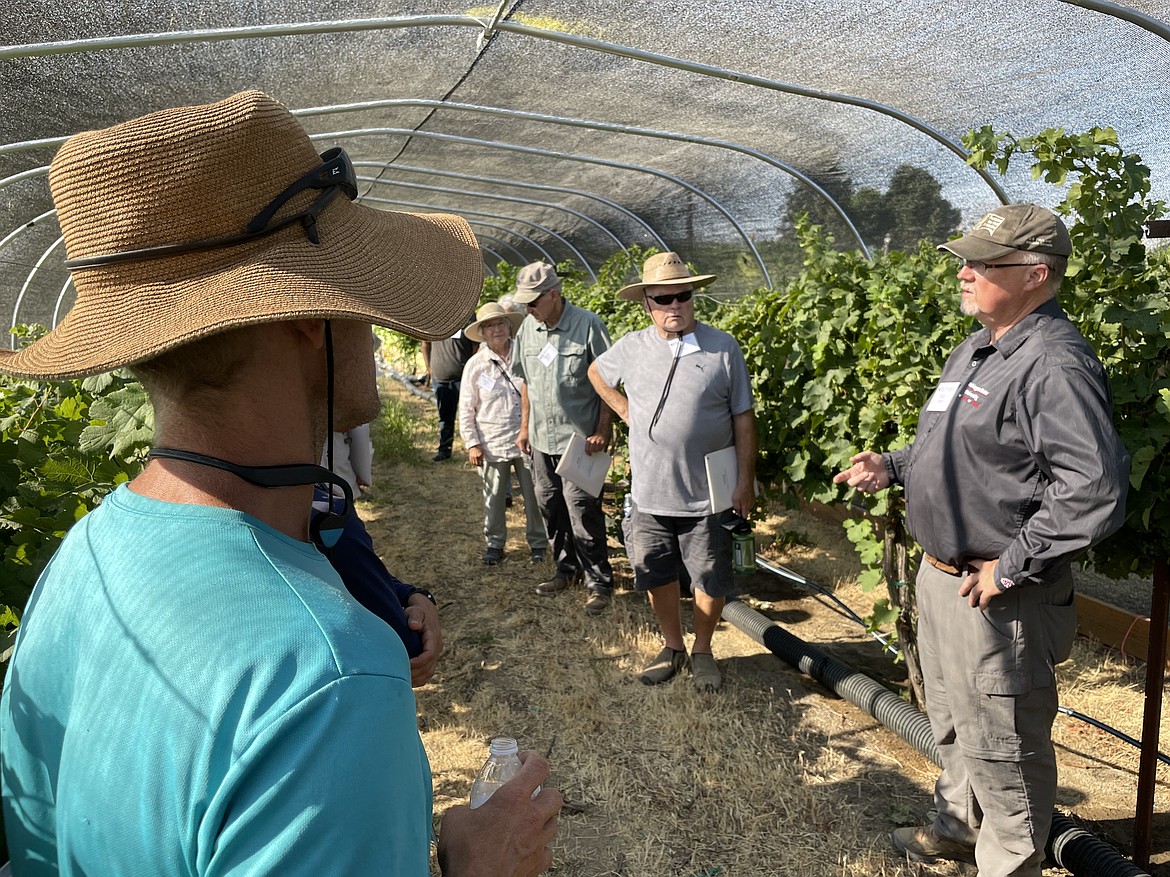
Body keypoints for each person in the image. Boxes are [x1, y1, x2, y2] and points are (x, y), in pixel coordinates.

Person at [0, 90, 560, 876]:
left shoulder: (82, 557)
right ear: (308, 317)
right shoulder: (330, 676)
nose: (371, 324)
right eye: (355, 294)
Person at [832, 204, 1129, 877]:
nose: (963, 273)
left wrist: (1011, 566)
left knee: (1006, 753)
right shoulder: (976, 348)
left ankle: (1008, 863)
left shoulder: (1054, 362)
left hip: (1002, 597)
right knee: (955, 724)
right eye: (965, 260)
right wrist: (895, 465)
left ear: (1035, 274)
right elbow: (958, 447)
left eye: (982, 263)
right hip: (944, 581)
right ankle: (959, 831)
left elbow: (1093, 488)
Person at [588, 252, 756, 692]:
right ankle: (672, 645)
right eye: (664, 299)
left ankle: (703, 648)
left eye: (683, 296)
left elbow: (743, 418)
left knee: (709, 574)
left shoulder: (723, 348)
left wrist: (744, 481)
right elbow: (595, 372)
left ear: (693, 297)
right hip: (649, 492)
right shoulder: (631, 347)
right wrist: (624, 409)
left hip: (707, 495)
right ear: (647, 303)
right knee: (656, 572)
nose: (675, 306)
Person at [511, 262, 616, 615]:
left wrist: (604, 429)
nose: (528, 309)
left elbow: (609, 383)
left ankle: (598, 582)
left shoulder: (588, 325)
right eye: (525, 304)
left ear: (553, 295)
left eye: (533, 302)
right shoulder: (528, 328)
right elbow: (526, 380)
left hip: (580, 442)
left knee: (582, 511)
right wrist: (525, 427)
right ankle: (566, 570)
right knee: (549, 507)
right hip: (542, 440)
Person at [458, 301, 550, 566]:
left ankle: (538, 543)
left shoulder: (527, 355)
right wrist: (472, 443)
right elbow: (466, 407)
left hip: (528, 440)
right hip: (492, 442)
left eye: (500, 323)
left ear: (509, 327)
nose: (496, 330)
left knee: (534, 495)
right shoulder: (476, 365)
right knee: (494, 496)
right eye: (489, 326)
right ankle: (495, 543)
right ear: (483, 333)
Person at [422, 319, 477, 462]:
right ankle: (444, 451)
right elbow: (425, 343)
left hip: (464, 377)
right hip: (441, 378)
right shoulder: (433, 318)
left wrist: (472, 369)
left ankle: (477, 450)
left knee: (473, 414)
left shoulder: (468, 316)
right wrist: (429, 368)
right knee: (445, 417)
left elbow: (476, 345)